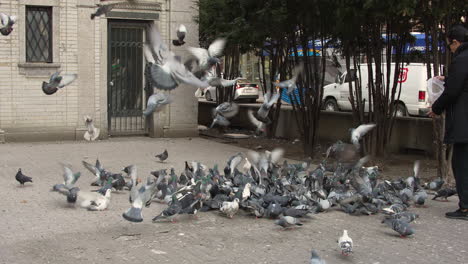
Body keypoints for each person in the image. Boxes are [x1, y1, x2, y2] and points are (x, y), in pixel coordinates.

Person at [428, 25, 468, 220]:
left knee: (461, 163)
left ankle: (466, 207)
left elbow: (453, 92)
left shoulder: (461, 59)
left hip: (464, 122)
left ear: (455, 42)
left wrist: (435, 108)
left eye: (449, 45)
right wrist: (449, 78)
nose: (449, 49)